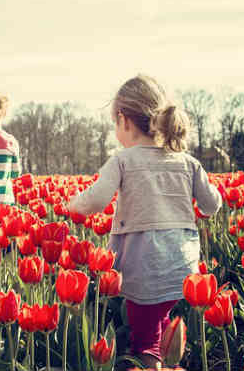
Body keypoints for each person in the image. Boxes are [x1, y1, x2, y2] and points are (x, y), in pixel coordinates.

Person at [68, 74, 222, 368]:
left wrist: (73, 204)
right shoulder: (187, 162)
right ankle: (170, 362)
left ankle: (153, 364)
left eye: (115, 123)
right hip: (182, 268)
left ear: (124, 121)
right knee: (162, 325)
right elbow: (211, 204)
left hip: (144, 267)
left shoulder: (123, 160)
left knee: (146, 342)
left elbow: (96, 200)